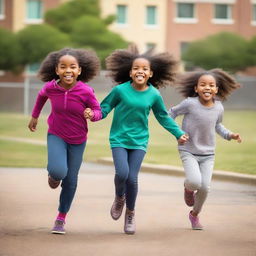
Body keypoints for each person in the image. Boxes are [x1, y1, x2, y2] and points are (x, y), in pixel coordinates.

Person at [85, 45, 188, 235]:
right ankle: (119, 198)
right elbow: (104, 108)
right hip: (119, 139)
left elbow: (163, 116)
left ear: (150, 74)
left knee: (132, 178)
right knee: (122, 173)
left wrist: (178, 133)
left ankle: (130, 213)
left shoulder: (154, 94)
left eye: (144, 69)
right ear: (130, 72)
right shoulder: (120, 91)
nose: (140, 71)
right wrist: (93, 115)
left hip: (139, 141)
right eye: (136, 68)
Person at [28, 48, 102, 234]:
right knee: (58, 171)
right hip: (57, 134)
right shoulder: (51, 87)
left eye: (72, 67)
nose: (68, 70)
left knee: (70, 180)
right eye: (63, 66)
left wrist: (91, 114)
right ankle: (53, 174)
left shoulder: (85, 91)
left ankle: (61, 218)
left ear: (79, 70)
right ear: (56, 70)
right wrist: (35, 116)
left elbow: (98, 111)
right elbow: (41, 96)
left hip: (78, 140)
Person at [168, 68, 242, 230]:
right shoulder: (190, 103)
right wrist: (178, 133)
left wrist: (230, 135)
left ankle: (194, 215)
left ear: (216, 89)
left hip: (208, 154)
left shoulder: (219, 108)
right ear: (196, 88)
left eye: (211, 85)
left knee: (205, 187)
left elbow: (218, 125)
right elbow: (170, 114)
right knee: (194, 181)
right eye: (203, 85)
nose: (207, 88)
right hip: (188, 150)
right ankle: (188, 188)